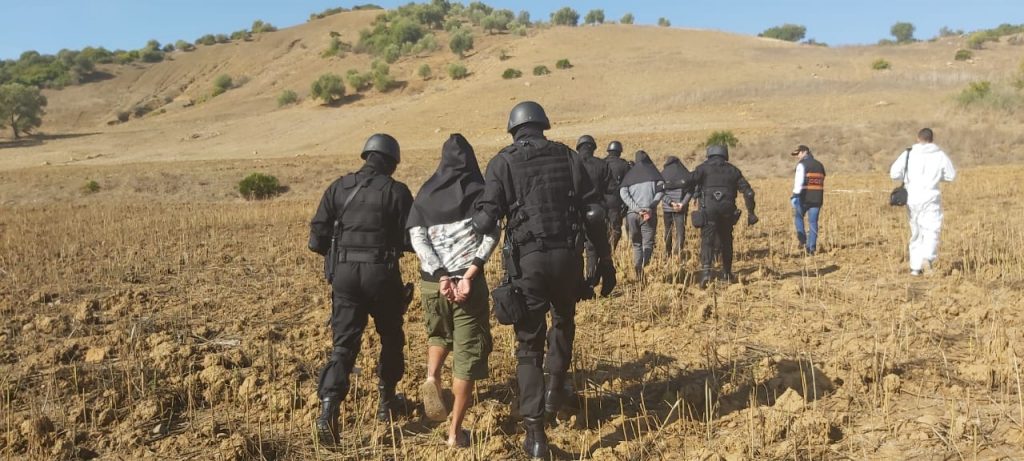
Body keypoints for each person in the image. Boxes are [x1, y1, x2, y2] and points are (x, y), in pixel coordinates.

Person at [472, 101, 616, 458]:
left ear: (514, 129)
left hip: (529, 264)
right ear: (542, 125)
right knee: (563, 321)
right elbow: (593, 212)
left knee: (529, 346)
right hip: (567, 259)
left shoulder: (503, 162)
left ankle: (535, 434)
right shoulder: (568, 156)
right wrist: (605, 260)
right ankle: (554, 391)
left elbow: (486, 220)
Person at [307, 133, 414, 445]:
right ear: (392, 161)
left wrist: (342, 252)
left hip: (344, 277)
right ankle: (386, 402)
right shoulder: (396, 191)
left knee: (343, 346)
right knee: (391, 338)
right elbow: (410, 239)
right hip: (382, 275)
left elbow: (316, 240)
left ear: (366, 156)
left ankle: (328, 411)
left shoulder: (339, 187)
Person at [407, 134, 498, 448]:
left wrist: (441, 275)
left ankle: (432, 376)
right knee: (467, 358)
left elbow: (418, 239)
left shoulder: (426, 193)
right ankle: (455, 433)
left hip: (433, 284)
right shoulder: (481, 193)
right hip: (468, 286)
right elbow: (491, 235)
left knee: (439, 334)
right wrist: (469, 273)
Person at [889, 128, 956, 276]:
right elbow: (951, 176)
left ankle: (915, 268)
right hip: (931, 197)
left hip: (912, 198)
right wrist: (936, 178)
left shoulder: (908, 153)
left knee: (916, 231)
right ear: (932, 139)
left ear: (918, 138)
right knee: (931, 229)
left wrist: (907, 178)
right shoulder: (940, 155)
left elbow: (894, 173)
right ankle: (927, 258)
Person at [688, 144, 757, 288]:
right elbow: (749, 192)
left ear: (709, 154)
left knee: (707, 240)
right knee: (726, 240)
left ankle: (706, 272)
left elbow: (689, 181)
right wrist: (751, 213)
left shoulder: (702, 168)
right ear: (725, 154)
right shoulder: (733, 170)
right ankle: (727, 273)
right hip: (727, 210)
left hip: (708, 210)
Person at [576, 135, 614, 291]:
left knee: (576, 250)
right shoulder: (602, 164)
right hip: (596, 210)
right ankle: (596, 281)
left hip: (576, 212)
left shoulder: (572, 163)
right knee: (597, 249)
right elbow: (610, 191)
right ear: (593, 148)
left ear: (579, 148)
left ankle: (581, 284)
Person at [620, 151, 665, 278]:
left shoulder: (630, 175)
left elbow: (623, 192)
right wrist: (651, 206)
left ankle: (638, 267)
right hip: (649, 214)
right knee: (648, 243)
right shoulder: (653, 173)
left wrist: (636, 208)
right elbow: (661, 190)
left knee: (636, 244)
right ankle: (645, 267)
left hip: (632, 215)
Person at [790, 145, 826, 255]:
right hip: (817, 198)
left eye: (798, 153)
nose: (797, 156)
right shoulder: (820, 165)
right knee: (813, 222)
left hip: (804, 198)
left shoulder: (802, 165)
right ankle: (812, 248)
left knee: (798, 217)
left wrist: (795, 196)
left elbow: (799, 182)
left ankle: (802, 240)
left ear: (805, 152)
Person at [661, 156, 693, 258]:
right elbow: (690, 191)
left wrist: (670, 203)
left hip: (667, 208)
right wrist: (682, 203)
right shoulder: (684, 173)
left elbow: (660, 192)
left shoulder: (663, 174)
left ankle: (667, 252)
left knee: (668, 230)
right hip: (680, 208)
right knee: (680, 232)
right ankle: (677, 253)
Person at [603, 140, 632, 251]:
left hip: (602, 200)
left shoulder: (602, 163)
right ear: (619, 152)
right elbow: (628, 184)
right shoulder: (624, 165)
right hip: (617, 201)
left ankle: (605, 249)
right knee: (616, 229)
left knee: (604, 228)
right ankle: (610, 250)